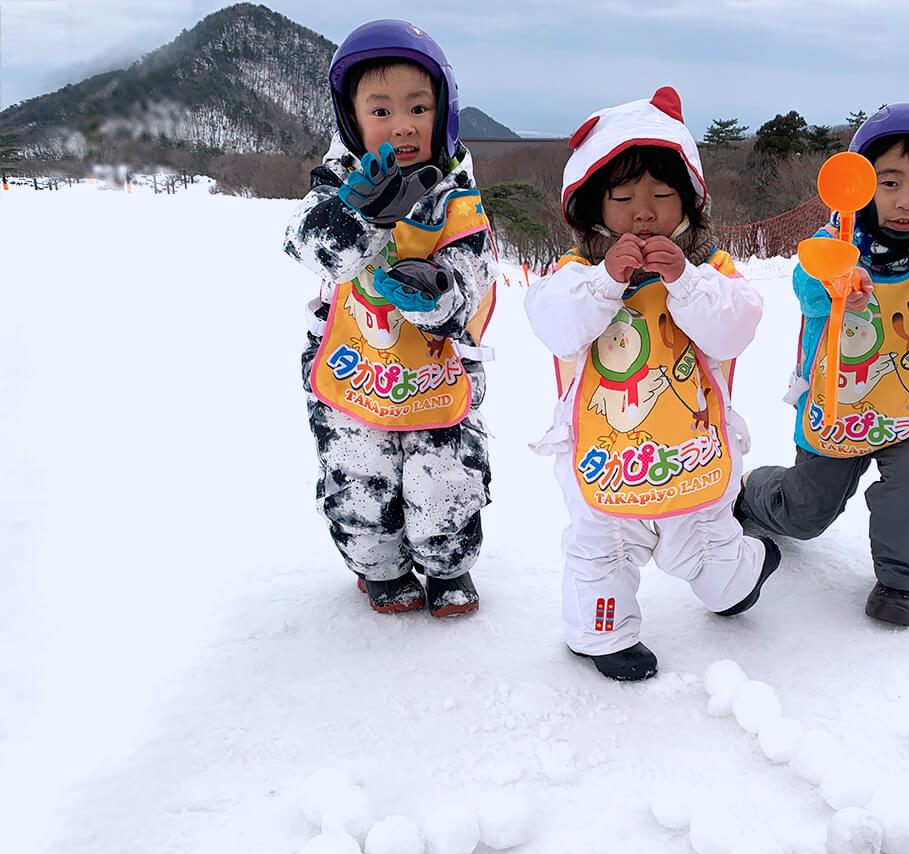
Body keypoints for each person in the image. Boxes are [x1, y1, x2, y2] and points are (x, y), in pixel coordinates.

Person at [524, 87, 780, 681]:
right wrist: (603, 283)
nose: (644, 212)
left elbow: (735, 329)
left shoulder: (710, 271)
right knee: (603, 544)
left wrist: (685, 282)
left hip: (692, 450)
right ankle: (601, 632)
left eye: (661, 196)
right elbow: (554, 327)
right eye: (624, 198)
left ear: (687, 202)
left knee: (708, 541)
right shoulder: (574, 274)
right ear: (592, 206)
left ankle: (740, 577)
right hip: (605, 454)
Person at [734, 103, 909, 628]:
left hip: (906, 403)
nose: (907, 200)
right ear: (859, 185)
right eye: (890, 182)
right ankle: (756, 496)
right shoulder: (834, 245)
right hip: (839, 404)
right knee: (807, 513)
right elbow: (808, 284)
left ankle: (904, 582)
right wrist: (836, 285)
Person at [282, 20, 498, 616]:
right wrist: (360, 216)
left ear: (443, 111)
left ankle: (449, 565)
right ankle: (377, 566)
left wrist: (438, 293)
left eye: (418, 106)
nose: (401, 124)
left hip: (436, 371)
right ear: (352, 119)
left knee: (444, 475)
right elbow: (305, 247)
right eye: (380, 110)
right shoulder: (335, 185)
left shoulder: (457, 194)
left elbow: (478, 273)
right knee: (360, 475)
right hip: (354, 368)